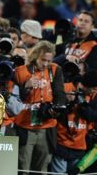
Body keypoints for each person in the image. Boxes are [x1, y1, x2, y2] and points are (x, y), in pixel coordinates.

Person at [14, 40, 66, 175]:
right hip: (25, 126)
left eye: (49, 60)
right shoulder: (20, 71)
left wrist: (56, 109)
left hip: (46, 126)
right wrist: (25, 86)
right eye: (43, 60)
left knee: (41, 169)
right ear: (35, 55)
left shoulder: (55, 69)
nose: (45, 64)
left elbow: (60, 94)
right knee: (22, 168)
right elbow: (12, 98)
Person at [50, 70, 97, 173]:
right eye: (93, 89)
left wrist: (83, 106)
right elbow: (55, 113)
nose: (95, 91)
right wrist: (67, 102)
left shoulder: (95, 95)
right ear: (84, 86)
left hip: (79, 144)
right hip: (61, 142)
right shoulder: (66, 89)